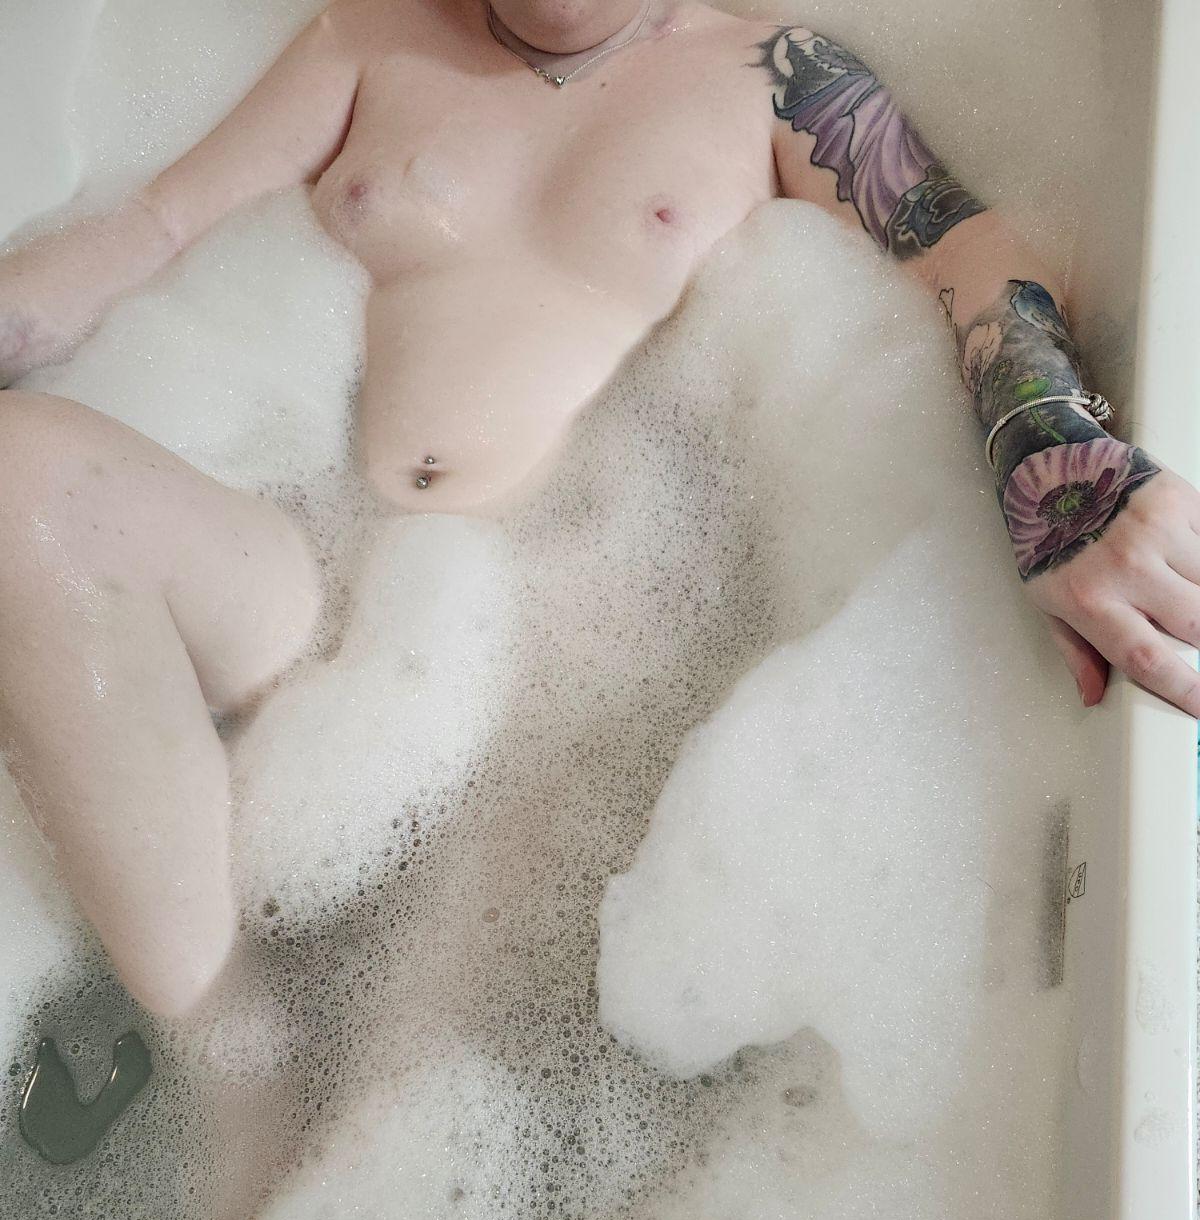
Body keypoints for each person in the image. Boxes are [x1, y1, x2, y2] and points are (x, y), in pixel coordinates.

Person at [0, 0, 1197, 1018]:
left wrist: (1056, 460)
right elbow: (149, 231)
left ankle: (261, 1091)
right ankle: (217, 1050)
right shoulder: (371, 36)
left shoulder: (774, 76)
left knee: (404, 1080)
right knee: (23, 475)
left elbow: (970, 254)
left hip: (551, 647)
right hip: (316, 567)